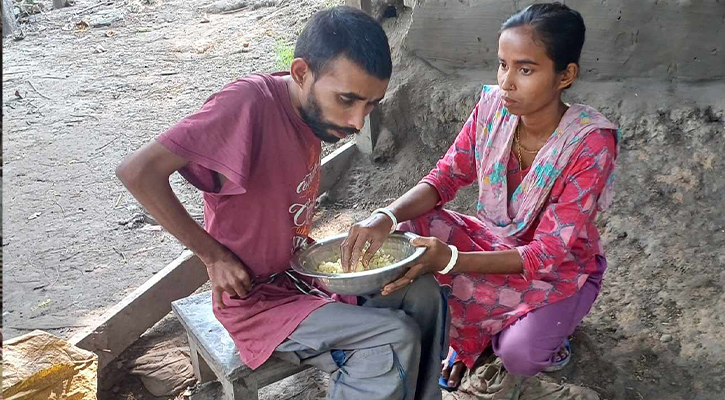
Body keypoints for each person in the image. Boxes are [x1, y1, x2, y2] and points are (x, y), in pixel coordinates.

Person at [116, 6, 448, 400]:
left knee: (425, 294)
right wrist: (213, 257)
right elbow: (137, 172)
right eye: (347, 100)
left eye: (370, 106)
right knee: (393, 335)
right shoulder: (246, 104)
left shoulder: (310, 113)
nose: (358, 121)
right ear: (301, 73)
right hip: (255, 302)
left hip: (302, 281)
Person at [341, 2, 618, 391]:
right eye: (502, 64)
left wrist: (452, 259)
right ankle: (473, 333)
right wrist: (384, 216)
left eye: (525, 69)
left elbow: (549, 253)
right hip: (494, 248)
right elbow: (445, 178)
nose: (506, 82)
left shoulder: (589, 143)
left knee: (519, 354)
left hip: (559, 273)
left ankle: (527, 334)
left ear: (565, 75)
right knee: (405, 230)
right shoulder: (492, 108)